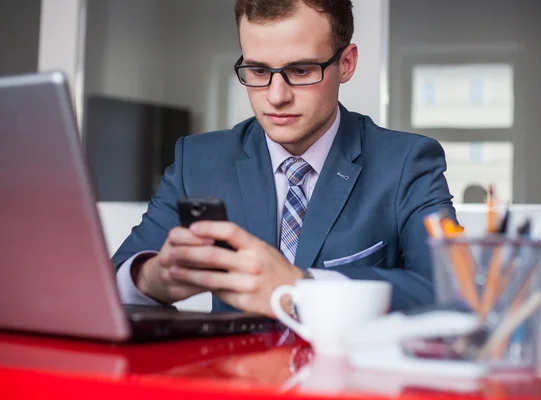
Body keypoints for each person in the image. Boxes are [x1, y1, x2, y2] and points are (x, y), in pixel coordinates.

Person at [113, 0, 456, 317]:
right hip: (233, 380)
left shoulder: (407, 163)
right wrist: (153, 279)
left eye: (302, 70)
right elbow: (111, 283)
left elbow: (453, 293)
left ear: (346, 64)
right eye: (259, 71)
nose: (276, 97)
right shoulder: (198, 161)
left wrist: (299, 288)